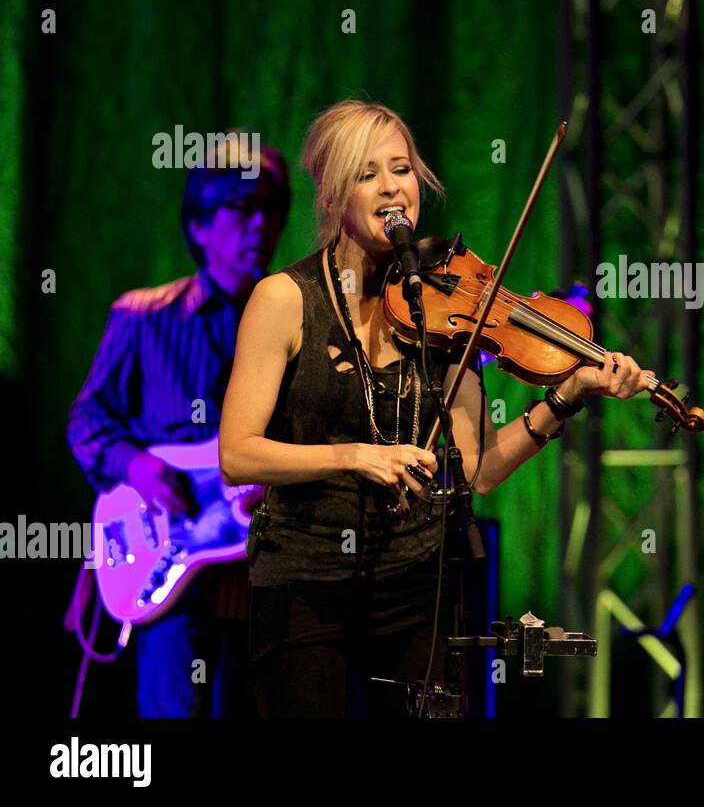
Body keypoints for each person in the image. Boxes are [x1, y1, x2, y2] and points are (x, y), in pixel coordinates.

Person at [219, 100, 652, 717]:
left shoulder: (446, 305)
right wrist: (355, 457)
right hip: (305, 583)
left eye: (402, 168)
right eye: (368, 173)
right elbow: (237, 455)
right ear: (333, 194)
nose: (393, 186)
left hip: (418, 586)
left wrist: (564, 398)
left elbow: (478, 470)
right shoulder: (285, 300)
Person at [67, 135, 291, 716]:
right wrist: (136, 465)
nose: (260, 226)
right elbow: (88, 419)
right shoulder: (142, 316)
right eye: (242, 210)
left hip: (258, 574)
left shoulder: (295, 331)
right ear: (198, 226)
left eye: (271, 211)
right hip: (166, 567)